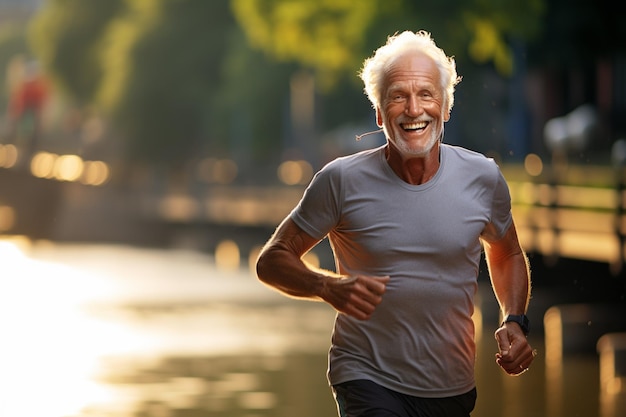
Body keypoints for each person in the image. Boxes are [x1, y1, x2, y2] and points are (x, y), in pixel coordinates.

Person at [256, 30, 535, 417]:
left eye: (426, 94)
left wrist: (515, 320)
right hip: (365, 376)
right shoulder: (340, 180)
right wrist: (326, 286)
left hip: (451, 386)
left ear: (446, 107)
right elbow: (271, 260)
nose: (413, 109)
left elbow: (506, 253)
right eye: (398, 96)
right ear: (378, 111)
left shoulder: (482, 177)